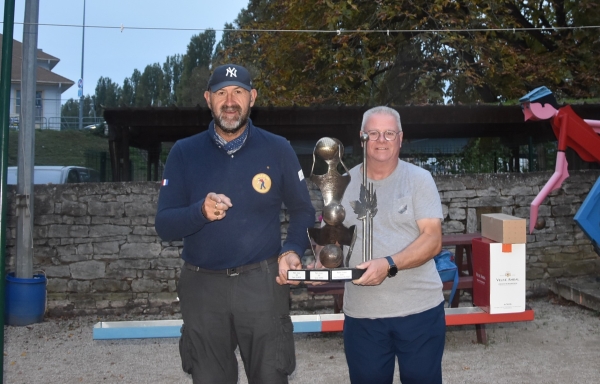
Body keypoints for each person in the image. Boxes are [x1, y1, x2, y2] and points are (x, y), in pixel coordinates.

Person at [154, 63, 315, 384]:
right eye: (221, 93)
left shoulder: (278, 148)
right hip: (202, 289)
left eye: (238, 92)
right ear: (208, 99)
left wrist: (293, 248)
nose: (230, 101)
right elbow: (165, 225)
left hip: (262, 284)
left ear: (252, 97)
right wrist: (199, 211)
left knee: (271, 377)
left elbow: (303, 211)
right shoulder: (184, 152)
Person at [339, 106, 445, 384]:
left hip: (419, 311)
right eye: (373, 133)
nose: (381, 140)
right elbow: (336, 242)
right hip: (363, 315)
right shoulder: (342, 183)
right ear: (362, 138)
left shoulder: (419, 180)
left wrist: (389, 264)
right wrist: (318, 266)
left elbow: (433, 239)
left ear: (400, 138)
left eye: (389, 133)